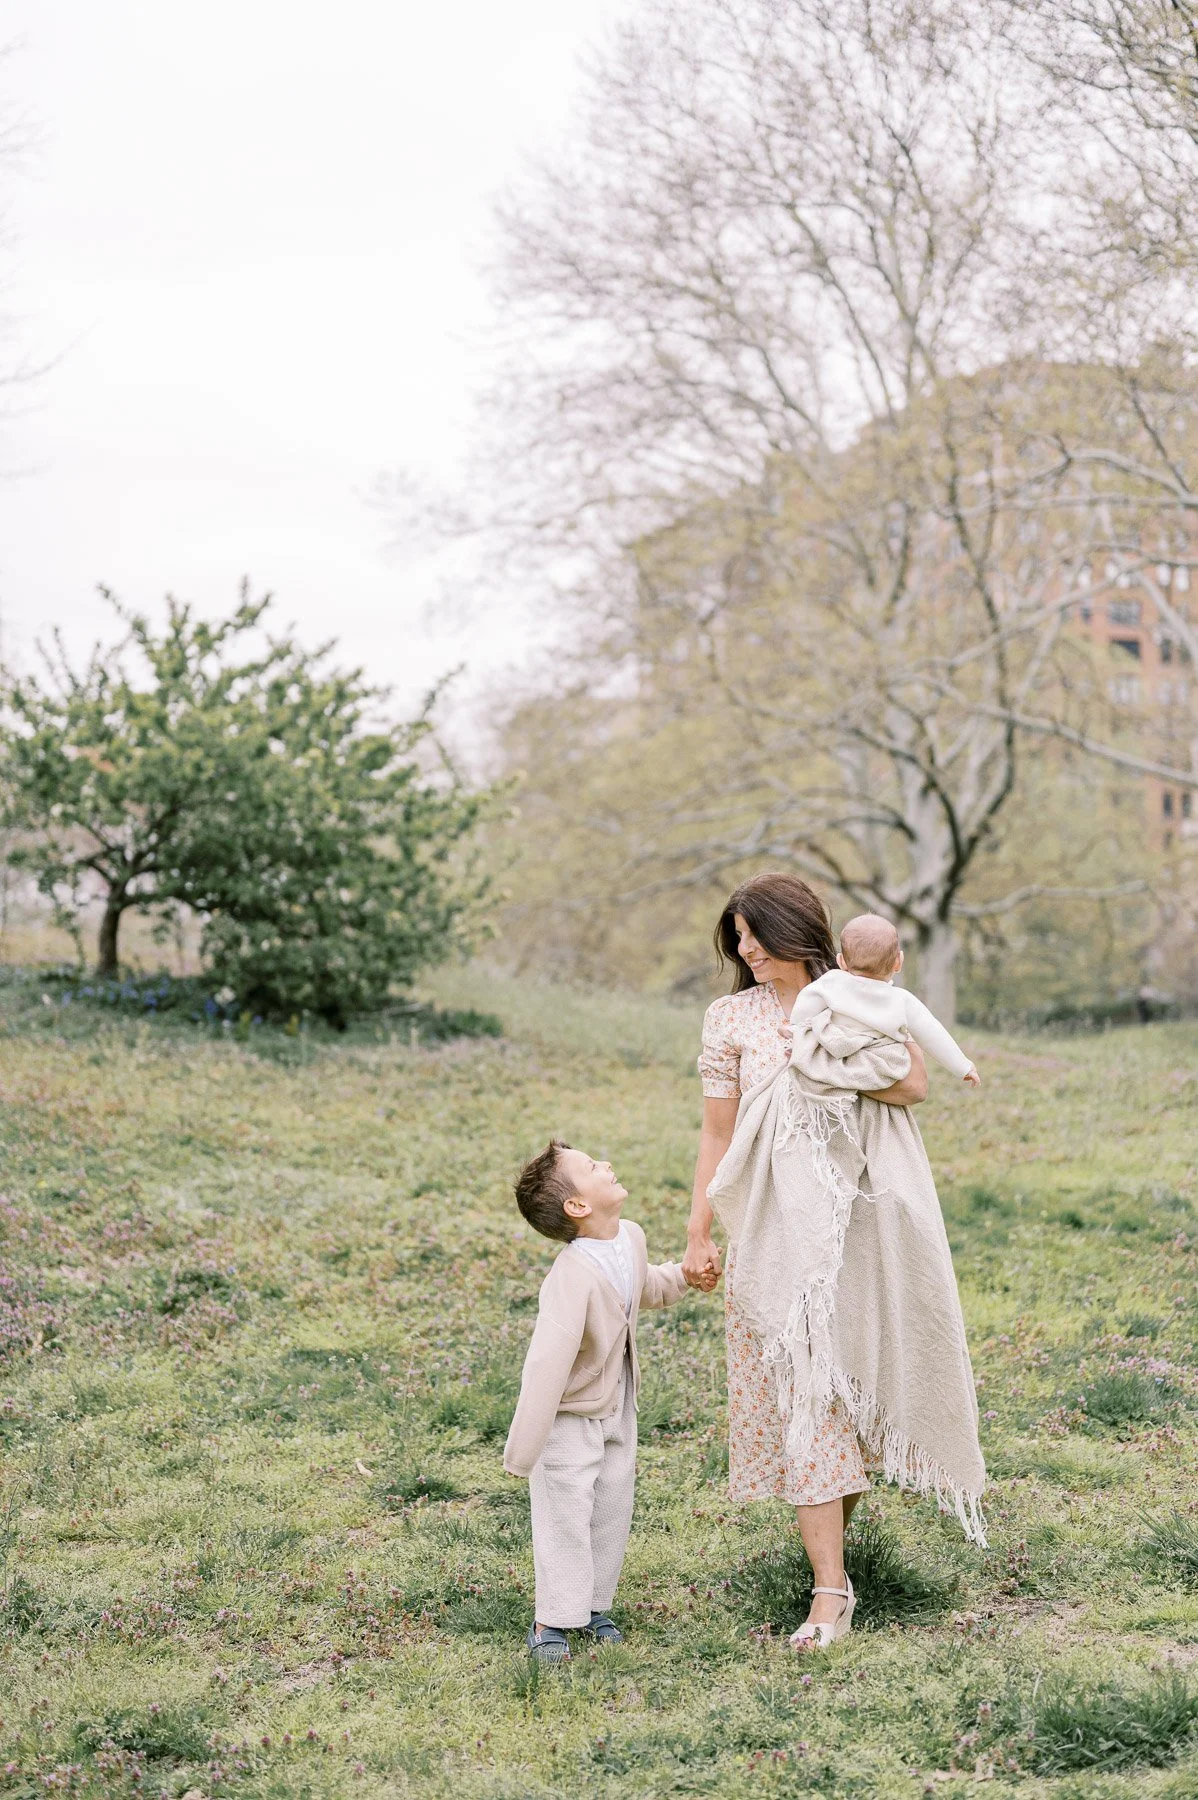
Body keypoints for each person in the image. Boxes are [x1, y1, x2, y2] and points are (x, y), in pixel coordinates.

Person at [683, 872, 985, 1653]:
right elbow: (717, 1136)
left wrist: (834, 1060)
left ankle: (831, 1566)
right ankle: (829, 1591)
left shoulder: (855, 997)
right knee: (804, 1404)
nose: (744, 950)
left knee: (843, 1406)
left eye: (755, 934)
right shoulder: (730, 1019)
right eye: (737, 937)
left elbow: (914, 1083)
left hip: (856, 1231)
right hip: (771, 1237)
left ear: (797, 932)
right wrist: (699, 1233)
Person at [504, 1140, 697, 1663]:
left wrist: (682, 1276)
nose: (606, 1164)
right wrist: (523, 1452)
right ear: (578, 1207)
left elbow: (642, 1286)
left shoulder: (628, 1238)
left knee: (611, 1505)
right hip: (566, 1418)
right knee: (566, 1514)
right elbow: (545, 1364)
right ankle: (551, 1621)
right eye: (592, 1167)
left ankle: (591, 1607)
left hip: (617, 1401)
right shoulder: (570, 1278)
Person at [787, 912, 981, 1086]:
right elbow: (932, 1033)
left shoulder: (831, 982)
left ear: (841, 962)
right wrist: (962, 1066)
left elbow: (806, 1004)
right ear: (898, 962)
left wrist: (795, 1030)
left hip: (835, 1055)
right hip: (877, 1068)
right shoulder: (902, 1000)